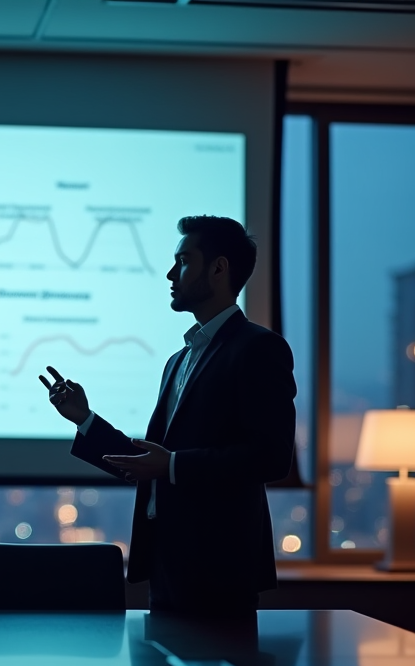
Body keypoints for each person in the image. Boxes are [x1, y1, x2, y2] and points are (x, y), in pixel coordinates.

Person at [39, 215, 296, 614]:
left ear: (218, 268)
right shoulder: (179, 361)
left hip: (220, 568)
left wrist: (172, 465)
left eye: (183, 261)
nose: (170, 273)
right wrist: (84, 419)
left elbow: (272, 457)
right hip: (166, 563)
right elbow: (149, 462)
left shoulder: (259, 349)